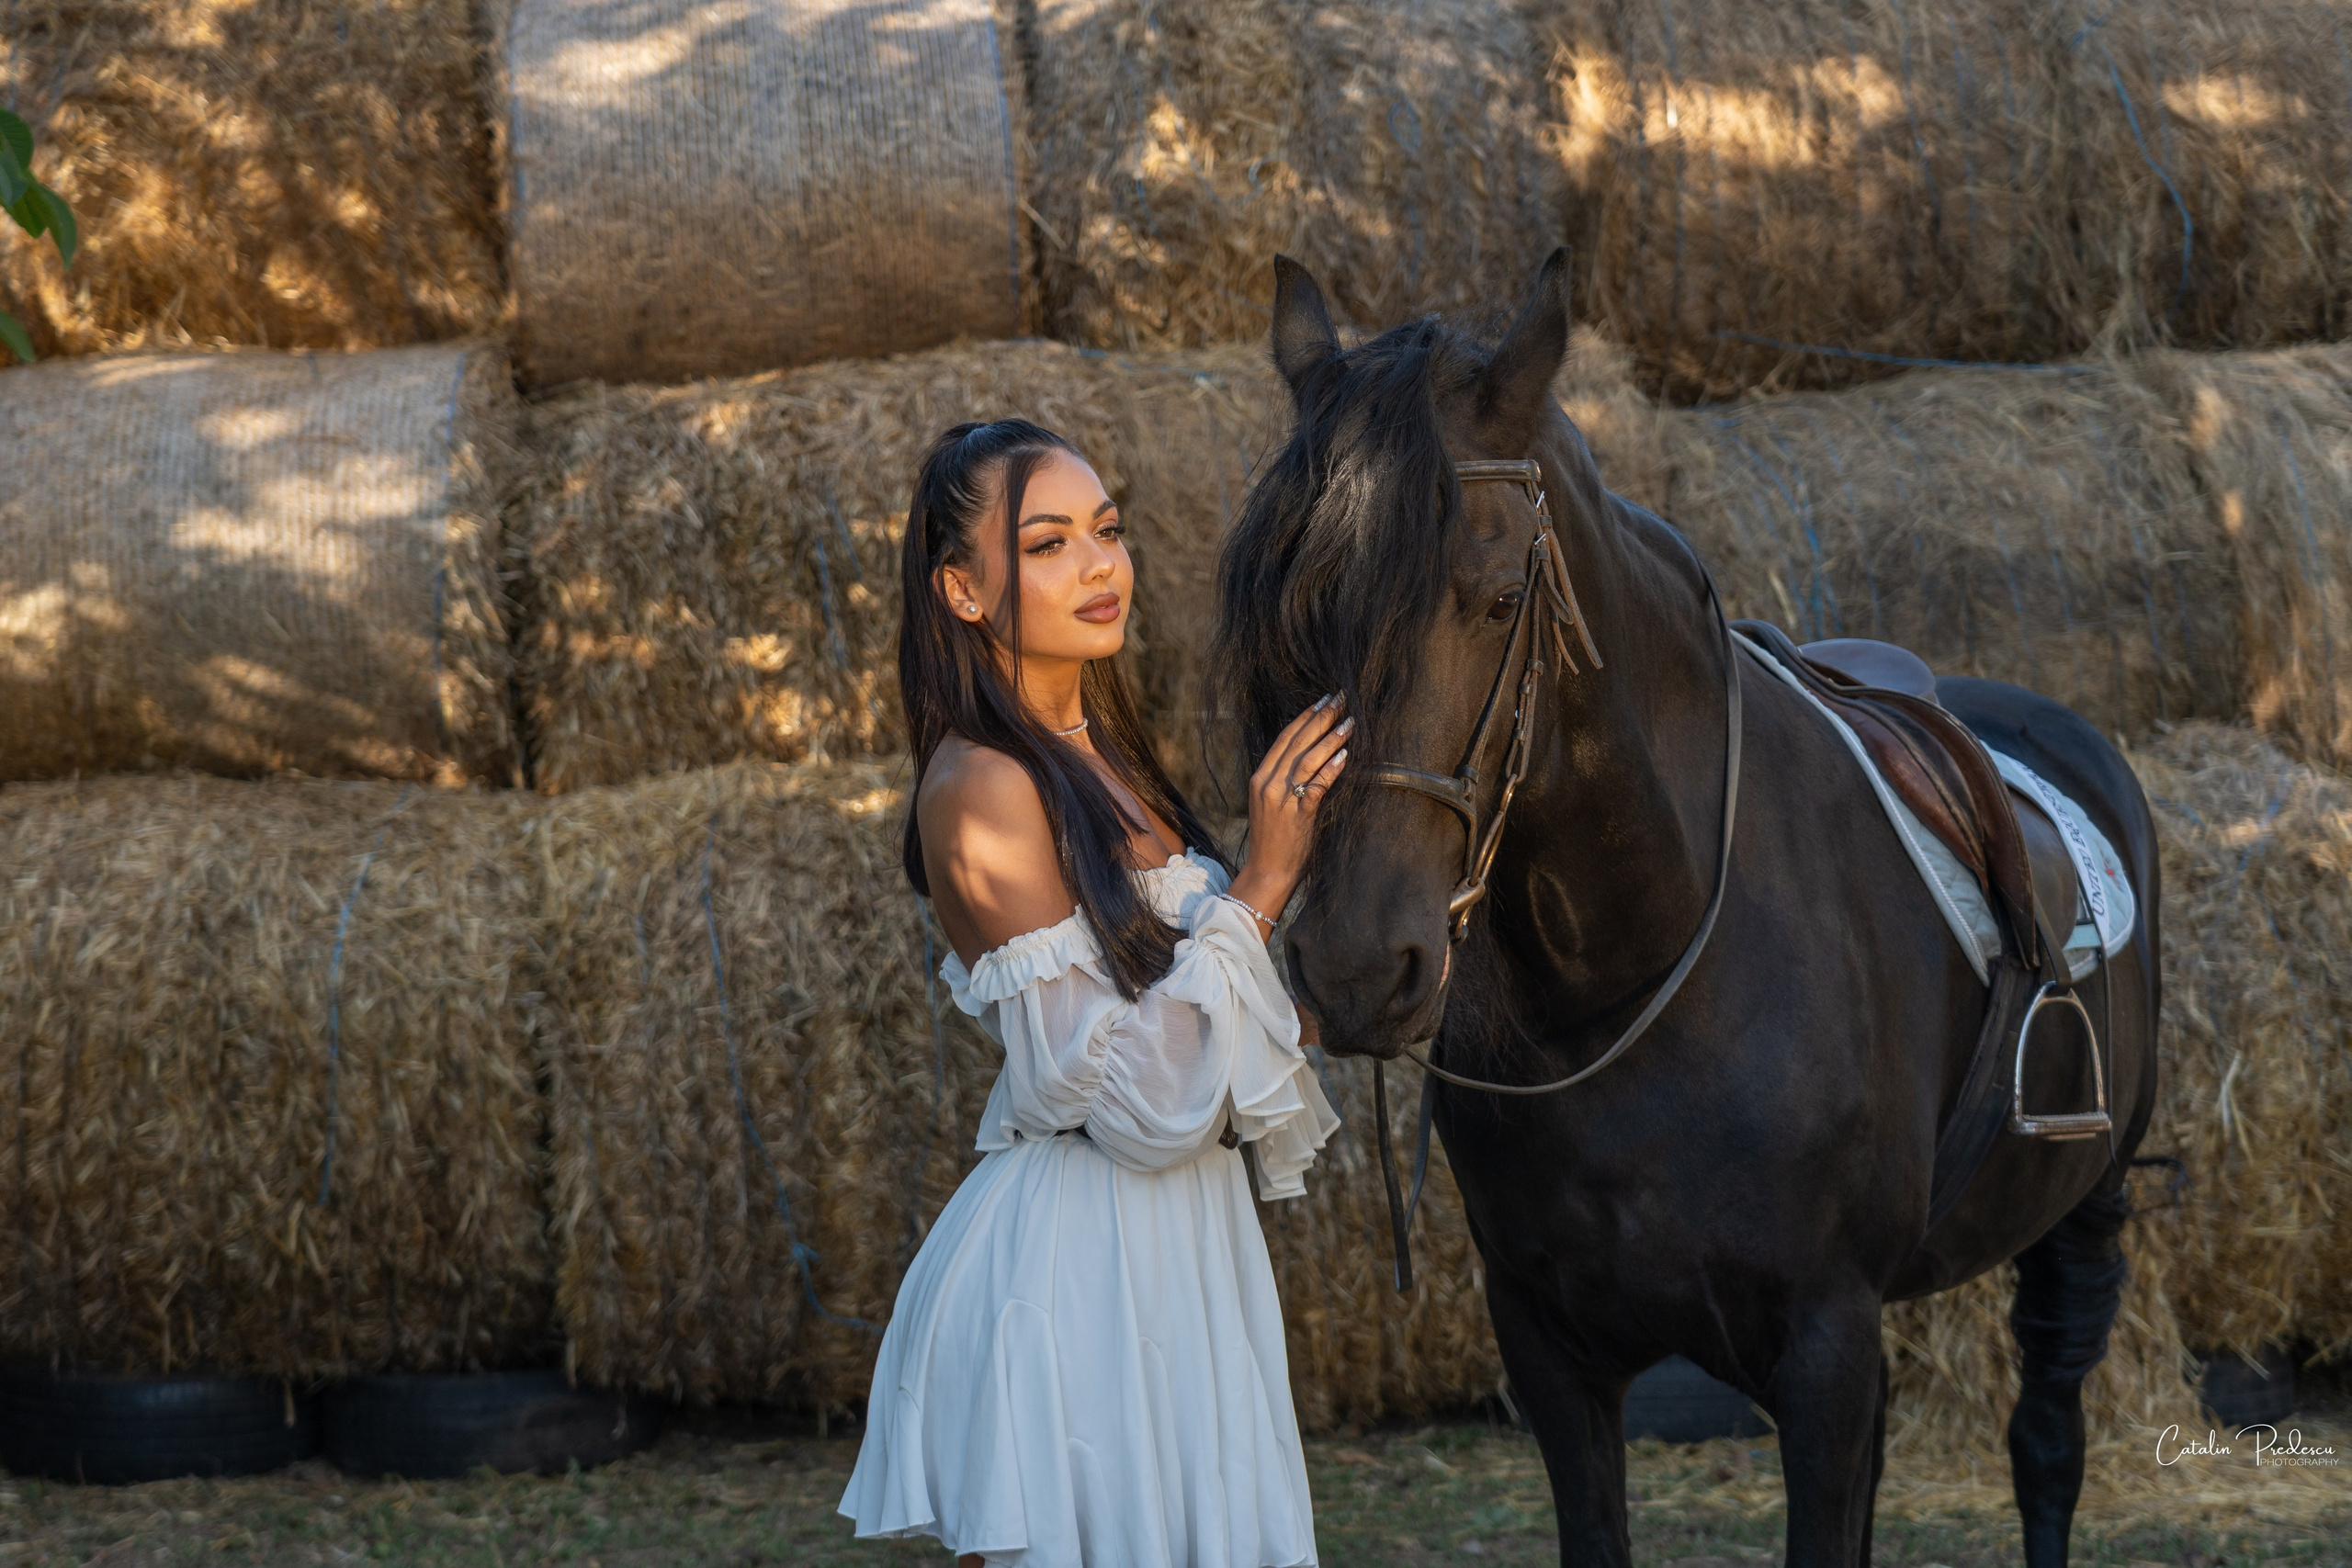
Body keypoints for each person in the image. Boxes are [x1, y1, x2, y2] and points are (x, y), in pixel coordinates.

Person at [838, 419, 1347, 1567]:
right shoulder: (980, 789)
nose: (1100, 565)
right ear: (963, 590)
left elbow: (1215, 1016)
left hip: (1186, 1259)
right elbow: (1143, 1105)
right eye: (1049, 543)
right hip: (1079, 1281)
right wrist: (1261, 881)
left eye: (1107, 531)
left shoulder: (1104, 758)